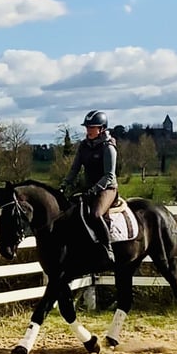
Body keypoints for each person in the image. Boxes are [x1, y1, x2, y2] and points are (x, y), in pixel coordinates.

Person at [60, 109, 118, 267]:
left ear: (102, 129)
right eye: (87, 127)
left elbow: (109, 176)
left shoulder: (108, 148)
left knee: (96, 214)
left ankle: (108, 249)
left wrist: (94, 190)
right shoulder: (84, 146)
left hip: (107, 189)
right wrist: (65, 185)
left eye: (92, 127)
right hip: (88, 188)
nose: (88, 130)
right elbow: (75, 169)